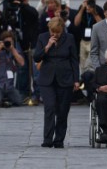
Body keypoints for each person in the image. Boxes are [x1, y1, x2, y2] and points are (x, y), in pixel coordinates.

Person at [33, 17, 79, 148]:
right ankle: (47, 139)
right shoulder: (42, 37)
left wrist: (76, 79)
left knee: (63, 110)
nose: (55, 35)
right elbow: (37, 57)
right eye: (52, 32)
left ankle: (59, 139)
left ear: (62, 30)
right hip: (47, 79)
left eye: (57, 32)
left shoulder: (69, 38)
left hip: (65, 78)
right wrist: (47, 46)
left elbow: (74, 60)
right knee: (50, 107)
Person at [0, 31, 24, 107]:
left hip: (9, 86)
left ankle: (6, 100)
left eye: (10, 42)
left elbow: (22, 63)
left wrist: (13, 50)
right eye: (6, 42)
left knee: (19, 101)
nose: (8, 44)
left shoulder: (15, 51)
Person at [74, 0, 104, 73]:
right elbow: (76, 23)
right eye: (88, 0)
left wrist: (94, 13)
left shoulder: (98, 9)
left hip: (94, 41)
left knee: (91, 63)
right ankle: (84, 82)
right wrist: (82, 9)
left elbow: (102, 25)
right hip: (83, 41)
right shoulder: (82, 9)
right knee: (83, 63)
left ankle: (93, 80)